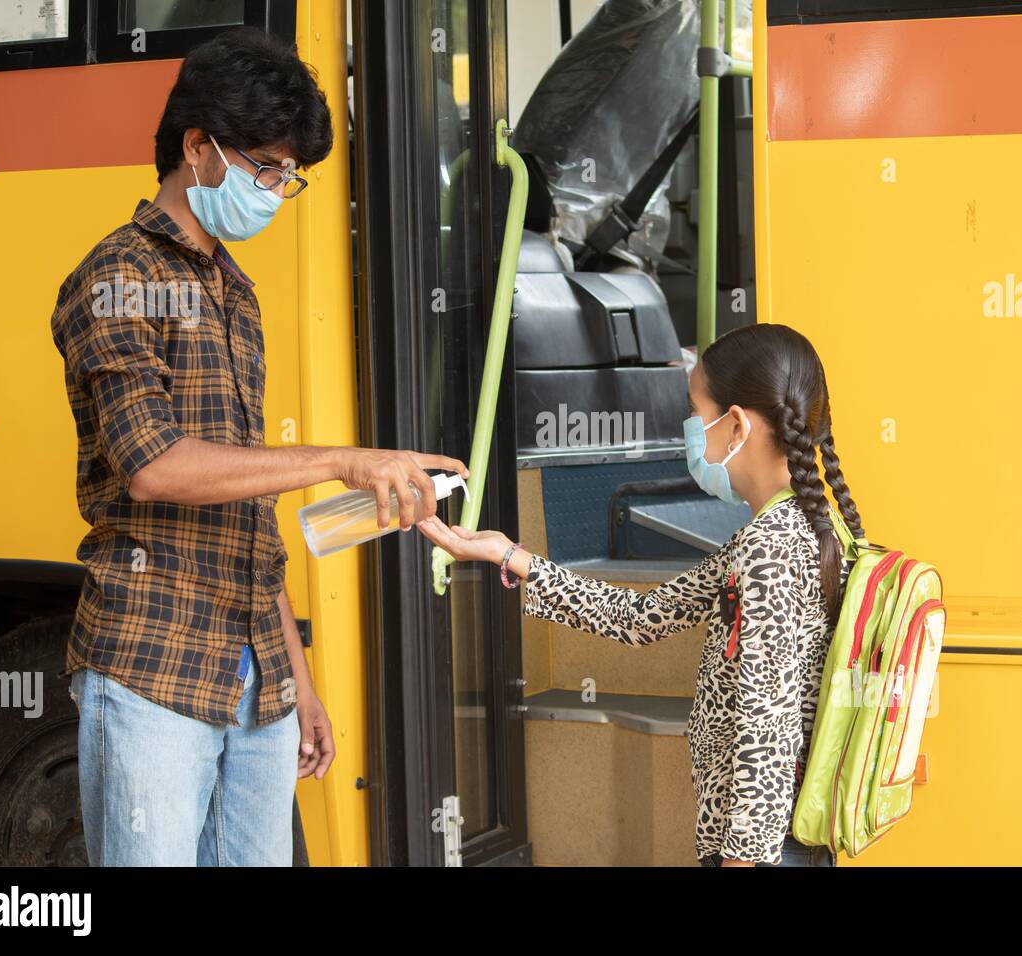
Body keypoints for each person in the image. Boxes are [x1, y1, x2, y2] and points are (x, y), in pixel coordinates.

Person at [50, 27, 467, 866]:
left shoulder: (235, 292)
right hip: (152, 669)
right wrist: (345, 460)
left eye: (289, 175)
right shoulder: (116, 277)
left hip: (258, 678)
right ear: (197, 148)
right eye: (265, 168)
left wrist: (298, 684)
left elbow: (248, 503)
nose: (278, 191)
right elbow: (155, 465)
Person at [419, 323, 862, 867]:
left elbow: (766, 725)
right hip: (779, 842)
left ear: (738, 425)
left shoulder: (770, 550)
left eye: (698, 413)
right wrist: (508, 554)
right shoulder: (799, 529)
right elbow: (642, 616)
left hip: (765, 851)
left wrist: (743, 860)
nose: (694, 432)